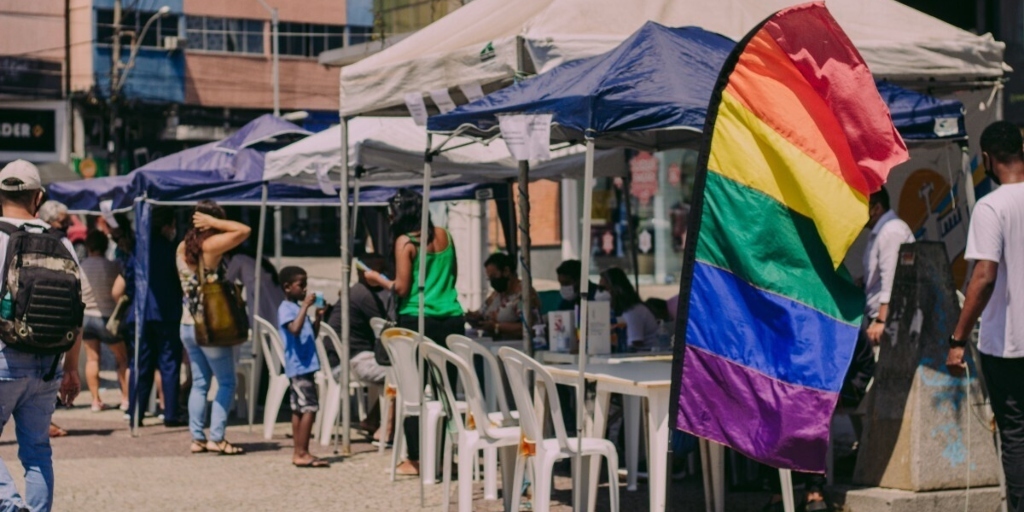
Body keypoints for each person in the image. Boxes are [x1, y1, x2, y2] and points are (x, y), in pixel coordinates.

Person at [947, 121, 1024, 512]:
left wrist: (957, 339)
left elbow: (983, 276)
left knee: (1015, 434)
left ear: (989, 160)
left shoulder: (991, 206)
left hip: (1009, 344)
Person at [363, 188, 464, 477]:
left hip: (416, 319)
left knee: (413, 392)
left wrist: (377, 279)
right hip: (451, 318)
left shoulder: (405, 241)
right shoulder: (445, 235)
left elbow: (402, 287)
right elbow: (453, 273)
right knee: (446, 391)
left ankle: (417, 459)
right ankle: (447, 456)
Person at [0, 160, 81, 512]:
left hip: (4, 359)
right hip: (49, 365)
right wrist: (72, 369)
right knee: (36, 452)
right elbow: (77, 314)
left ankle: (9, 504)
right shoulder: (62, 243)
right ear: (39, 197)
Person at [177, 200, 251, 455]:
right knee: (227, 382)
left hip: (187, 324)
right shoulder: (210, 247)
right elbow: (243, 231)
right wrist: (216, 223)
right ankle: (217, 437)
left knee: (199, 383)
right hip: (210, 327)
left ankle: (197, 437)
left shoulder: (183, 247)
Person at [121, 206, 185, 427]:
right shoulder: (171, 249)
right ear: (167, 226)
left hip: (140, 314)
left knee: (140, 363)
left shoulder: (139, 251)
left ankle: (135, 413)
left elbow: (129, 281)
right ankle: (170, 412)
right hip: (167, 313)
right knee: (169, 363)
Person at [326, 253, 390, 436]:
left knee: (400, 374)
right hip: (350, 362)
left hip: (344, 359)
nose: (384, 273)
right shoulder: (364, 295)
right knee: (404, 375)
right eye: (379, 269)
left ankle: (373, 419)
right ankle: (385, 427)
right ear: (365, 272)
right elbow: (387, 323)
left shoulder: (356, 291)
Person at [278, 266, 329, 468]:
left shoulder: (298, 309)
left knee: (299, 408)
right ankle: (302, 451)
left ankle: (299, 451)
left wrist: (318, 318)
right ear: (287, 287)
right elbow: (295, 330)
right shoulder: (286, 309)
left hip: (306, 365)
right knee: (309, 408)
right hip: (298, 367)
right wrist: (305, 307)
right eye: (301, 285)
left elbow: (310, 336)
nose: (305, 290)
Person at [80, 230, 129, 412]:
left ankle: (95, 401)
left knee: (92, 359)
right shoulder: (112, 266)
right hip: (108, 317)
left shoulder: (81, 266)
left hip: (86, 317)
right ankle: (125, 398)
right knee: (122, 358)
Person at [862, 186, 915, 346]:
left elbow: (892, 280)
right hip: (884, 319)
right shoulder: (881, 232)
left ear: (876, 208)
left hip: (891, 322)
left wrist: (881, 321)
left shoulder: (891, 230)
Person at [467, 252, 540, 340]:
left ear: (506, 271)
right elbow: (482, 312)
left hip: (514, 346)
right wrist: (473, 317)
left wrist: (497, 327)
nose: (492, 281)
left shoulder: (524, 294)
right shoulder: (496, 294)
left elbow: (529, 327)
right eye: (489, 279)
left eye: (494, 276)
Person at [600, 267, 658, 350]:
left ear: (615, 289)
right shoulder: (621, 312)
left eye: (603, 289)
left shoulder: (633, 311)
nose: (600, 293)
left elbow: (635, 343)